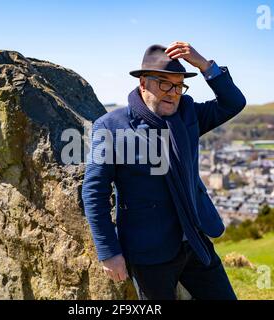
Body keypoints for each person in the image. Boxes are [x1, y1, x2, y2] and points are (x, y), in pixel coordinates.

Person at [82, 41, 246, 300]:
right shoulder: (111, 127)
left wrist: (204, 65)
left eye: (179, 85)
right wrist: (109, 252)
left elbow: (233, 102)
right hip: (149, 251)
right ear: (143, 83)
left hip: (194, 240)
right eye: (165, 84)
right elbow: (94, 193)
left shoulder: (188, 113)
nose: (173, 93)